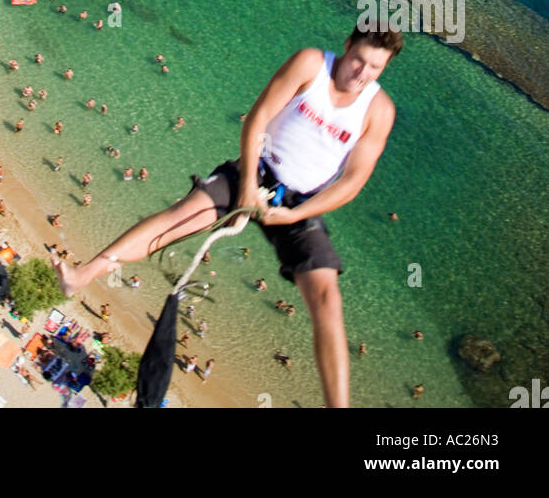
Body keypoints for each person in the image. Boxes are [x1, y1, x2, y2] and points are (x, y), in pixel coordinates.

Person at [50, 25, 400, 409]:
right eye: (358, 60)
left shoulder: (378, 111)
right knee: (179, 219)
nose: (361, 73)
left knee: (327, 295)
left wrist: (293, 215)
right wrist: (248, 184)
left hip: (301, 203)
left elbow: (350, 185)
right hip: (257, 168)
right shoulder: (311, 64)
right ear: (346, 45)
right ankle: (81, 275)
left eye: (375, 68)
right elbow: (258, 117)